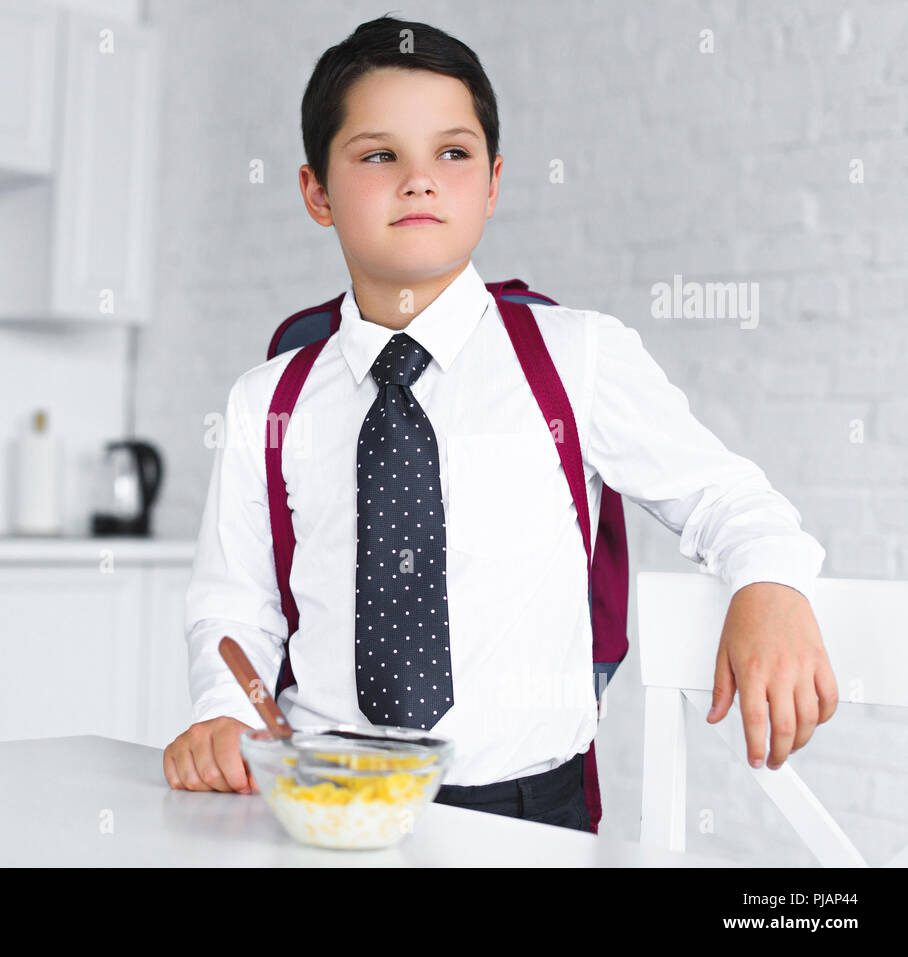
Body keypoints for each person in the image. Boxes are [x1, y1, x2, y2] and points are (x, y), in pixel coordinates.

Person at [162, 14, 837, 833]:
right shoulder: (265, 399)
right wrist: (224, 711)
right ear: (316, 192)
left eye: (452, 153)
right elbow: (237, 603)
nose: (420, 180)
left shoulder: (577, 357)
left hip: (526, 816)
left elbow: (727, 497)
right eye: (379, 155)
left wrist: (769, 583)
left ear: (492, 182)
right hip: (316, 802)